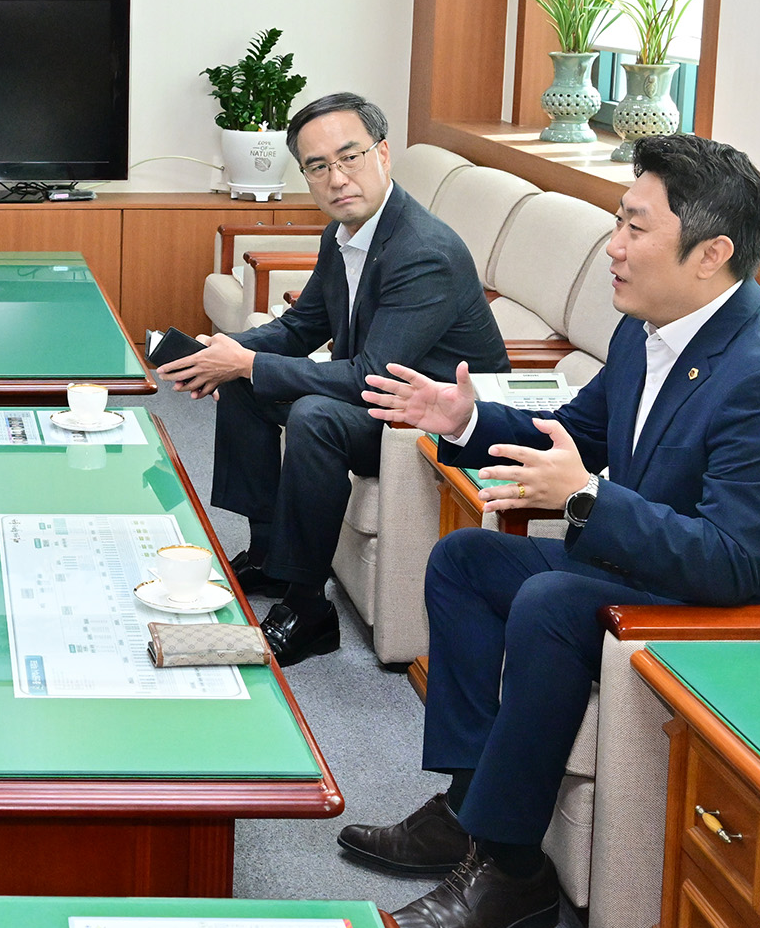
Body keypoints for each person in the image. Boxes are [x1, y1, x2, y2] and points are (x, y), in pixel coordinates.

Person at [349, 134, 760, 928]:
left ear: (711, 253)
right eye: (617, 222)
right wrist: (467, 420)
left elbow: (730, 559)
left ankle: (512, 869)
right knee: (467, 561)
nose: (612, 247)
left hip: (756, 622)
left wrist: (585, 495)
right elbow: (577, 433)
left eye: (633, 226)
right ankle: (469, 806)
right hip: (669, 572)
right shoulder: (647, 329)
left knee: (553, 600)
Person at [158, 92, 507, 664]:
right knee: (248, 383)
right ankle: (270, 555)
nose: (337, 178)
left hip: (437, 421)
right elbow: (301, 327)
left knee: (312, 415)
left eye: (350, 157)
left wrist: (246, 362)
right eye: (318, 166)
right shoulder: (343, 235)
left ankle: (308, 608)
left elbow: (371, 375)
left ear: (384, 154)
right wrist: (221, 352)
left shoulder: (423, 253)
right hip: (384, 401)